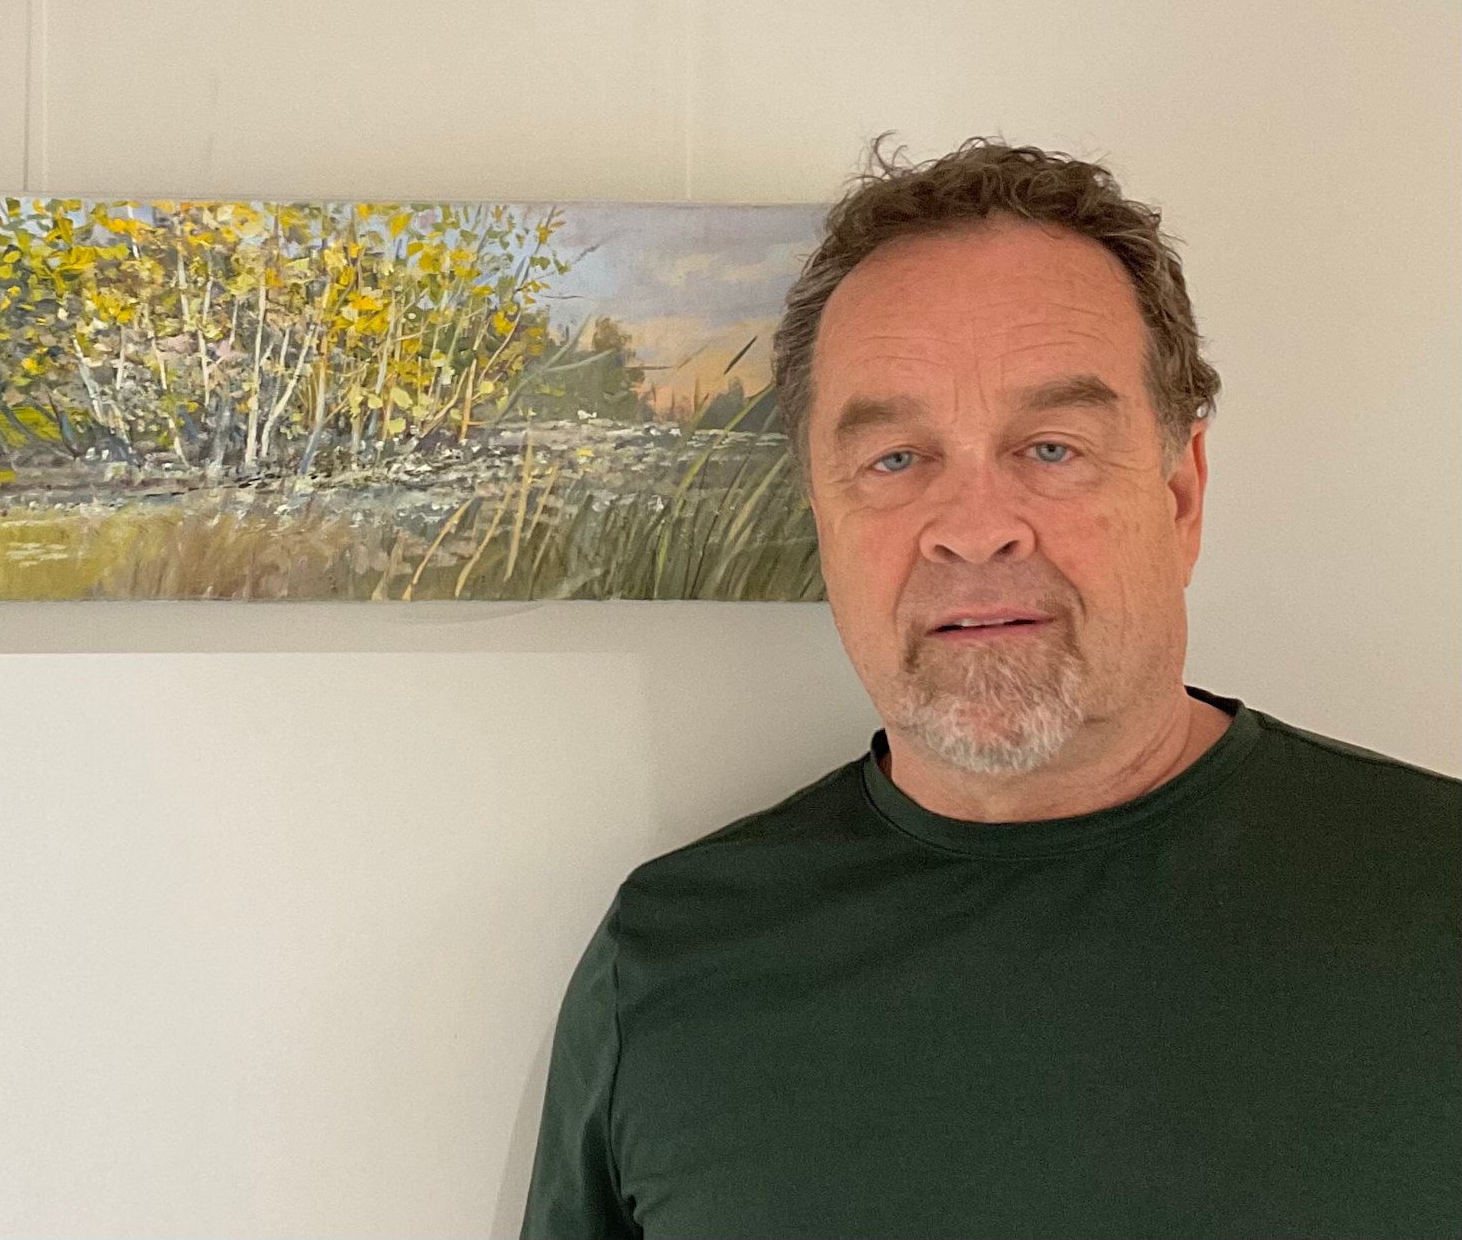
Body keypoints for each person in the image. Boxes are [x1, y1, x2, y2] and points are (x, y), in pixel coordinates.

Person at [518, 137, 1460, 1240]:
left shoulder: (1434, 898)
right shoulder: (666, 962)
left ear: (1179, 496)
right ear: (822, 519)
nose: (973, 529)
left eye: (1051, 447)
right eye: (895, 458)